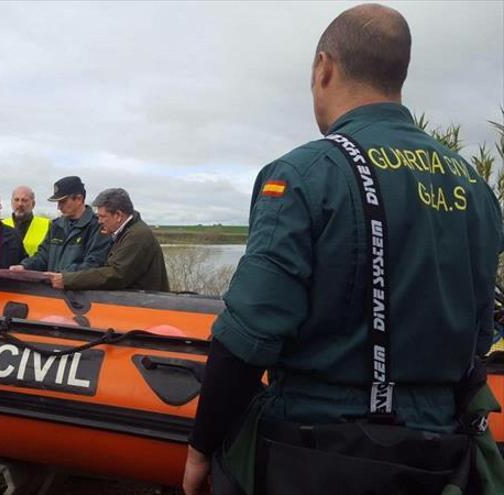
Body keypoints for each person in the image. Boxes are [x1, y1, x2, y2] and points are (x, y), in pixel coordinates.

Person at [183, 4, 504, 495]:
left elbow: (248, 336)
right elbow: (480, 335)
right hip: (437, 455)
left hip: (315, 451)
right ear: (399, 74)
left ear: (324, 68)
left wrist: (202, 447)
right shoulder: (474, 187)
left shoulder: (306, 174)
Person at [48, 188, 169, 292]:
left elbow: (116, 275)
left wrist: (67, 280)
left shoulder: (137, 236)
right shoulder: (126, 232)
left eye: (102, 217)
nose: (99, 221)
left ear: (118, 215)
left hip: (147, 308)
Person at [10, 176, 112, 273]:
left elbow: (94, 265)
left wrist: (62, 276)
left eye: (62, 201)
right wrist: (25, 266)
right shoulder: (56, 225)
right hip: (52, 290)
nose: (58, 207)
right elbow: (43, 256)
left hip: (78, 290)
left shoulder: (98, 227)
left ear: (79, 199)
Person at [2, 185, 51, 256]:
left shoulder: (48, 225)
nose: (20, 204)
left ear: (33, 204)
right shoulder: (1, 225)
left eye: (24, 200)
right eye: (16, 200)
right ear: (11, 202)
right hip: (6, 267)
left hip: (36, 266)